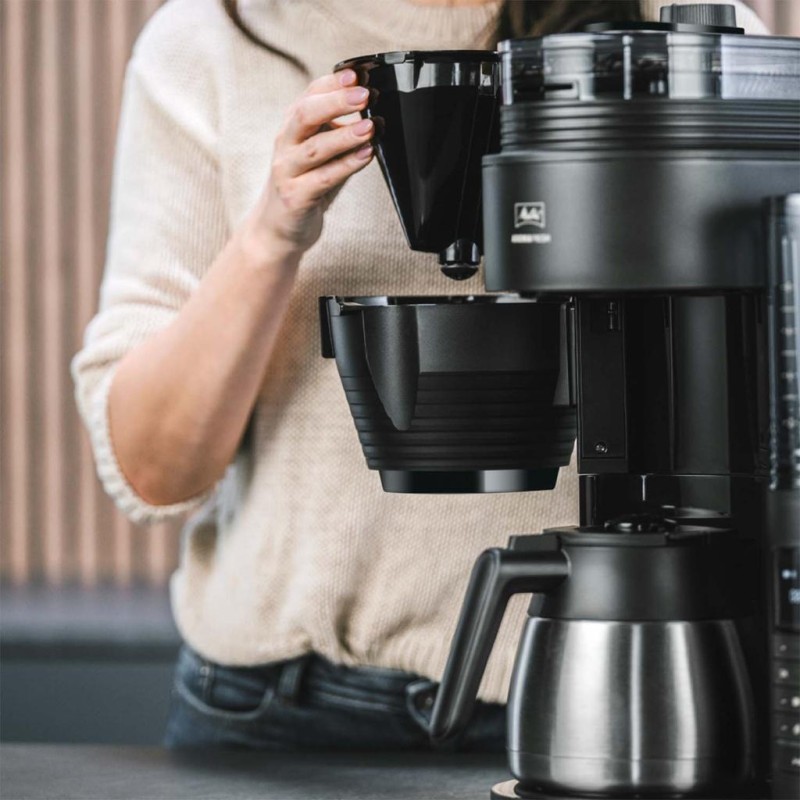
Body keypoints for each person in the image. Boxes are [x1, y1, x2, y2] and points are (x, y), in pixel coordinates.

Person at [72, 0, 768, 750]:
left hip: (592, 689)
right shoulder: (212, 40)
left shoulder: (685, 35)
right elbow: (154, 468)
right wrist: (272, 233)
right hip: (274, 707)